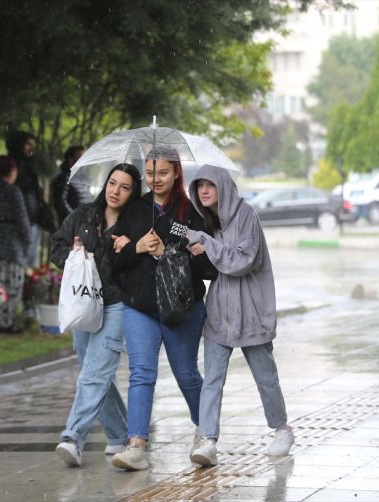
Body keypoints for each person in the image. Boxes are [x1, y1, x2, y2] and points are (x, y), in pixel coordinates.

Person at [109, 146, 216, 471]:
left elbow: (208, 263)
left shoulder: (189, 212)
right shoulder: (135, 210)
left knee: (186, 373)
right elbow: (115, 260)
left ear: (176, 173)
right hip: (139, 304)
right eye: (151, 172)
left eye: (163, 173)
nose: (156, 179)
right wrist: (138, 247)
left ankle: (206, 435)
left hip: (181, 305)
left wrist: (171, 248)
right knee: (141, 373)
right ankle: (136, 444)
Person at [184, 164, 294, 467]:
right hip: (219, 312)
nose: (204, 191)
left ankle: (282, 429)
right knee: (213, 380)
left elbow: (242, 260)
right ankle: (208, 440)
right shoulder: (208, 220)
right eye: (199, 186)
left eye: (210, 185)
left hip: (251, 313)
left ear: (223, 186)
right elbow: (201, 251)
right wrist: (187, 238)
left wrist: (206, 244)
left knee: (265, 377)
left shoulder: (247, 215)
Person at [49, 163, 142, 467]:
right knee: (96, 372)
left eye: (125, 186)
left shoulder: (136, 224)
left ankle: (73, 438)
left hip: (116, 303)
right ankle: (121, 435)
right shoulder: (84, 215)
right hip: (84, 303)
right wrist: (73, 256)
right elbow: (56, 246)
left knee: (95, 373)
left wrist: (130, 249)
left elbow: (141, 265)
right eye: (113, 183)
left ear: (132, 192)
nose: (116, 191)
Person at [0, 155, 31, 334]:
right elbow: (23, 219)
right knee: (13, 286)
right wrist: (28, 239)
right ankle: (6, 322)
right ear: (10, 171)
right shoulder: (13, 191)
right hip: (12, 245)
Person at [6, 130, 55, 267]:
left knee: (29, 263)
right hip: (19, 223)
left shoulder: (29, 166)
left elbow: (35, 193)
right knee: (19, 264)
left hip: (33, 220)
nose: (30, 148)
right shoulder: (12, 166)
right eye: (27, 144)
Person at [51, 145, 94, 225]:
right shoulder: (63, 179)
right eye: (82, 158)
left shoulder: (84, 180)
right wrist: (75, 220)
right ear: (71, 160)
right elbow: (60, 203)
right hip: (69, 228)